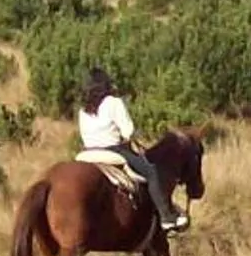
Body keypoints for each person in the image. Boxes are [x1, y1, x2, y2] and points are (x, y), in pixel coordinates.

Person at [77, 65, 186, 231]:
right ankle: (166, 216)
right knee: (151, 171)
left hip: (87, 153)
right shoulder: (113, 102)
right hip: (112, 151)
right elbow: (128, 131)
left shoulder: (83, 109)